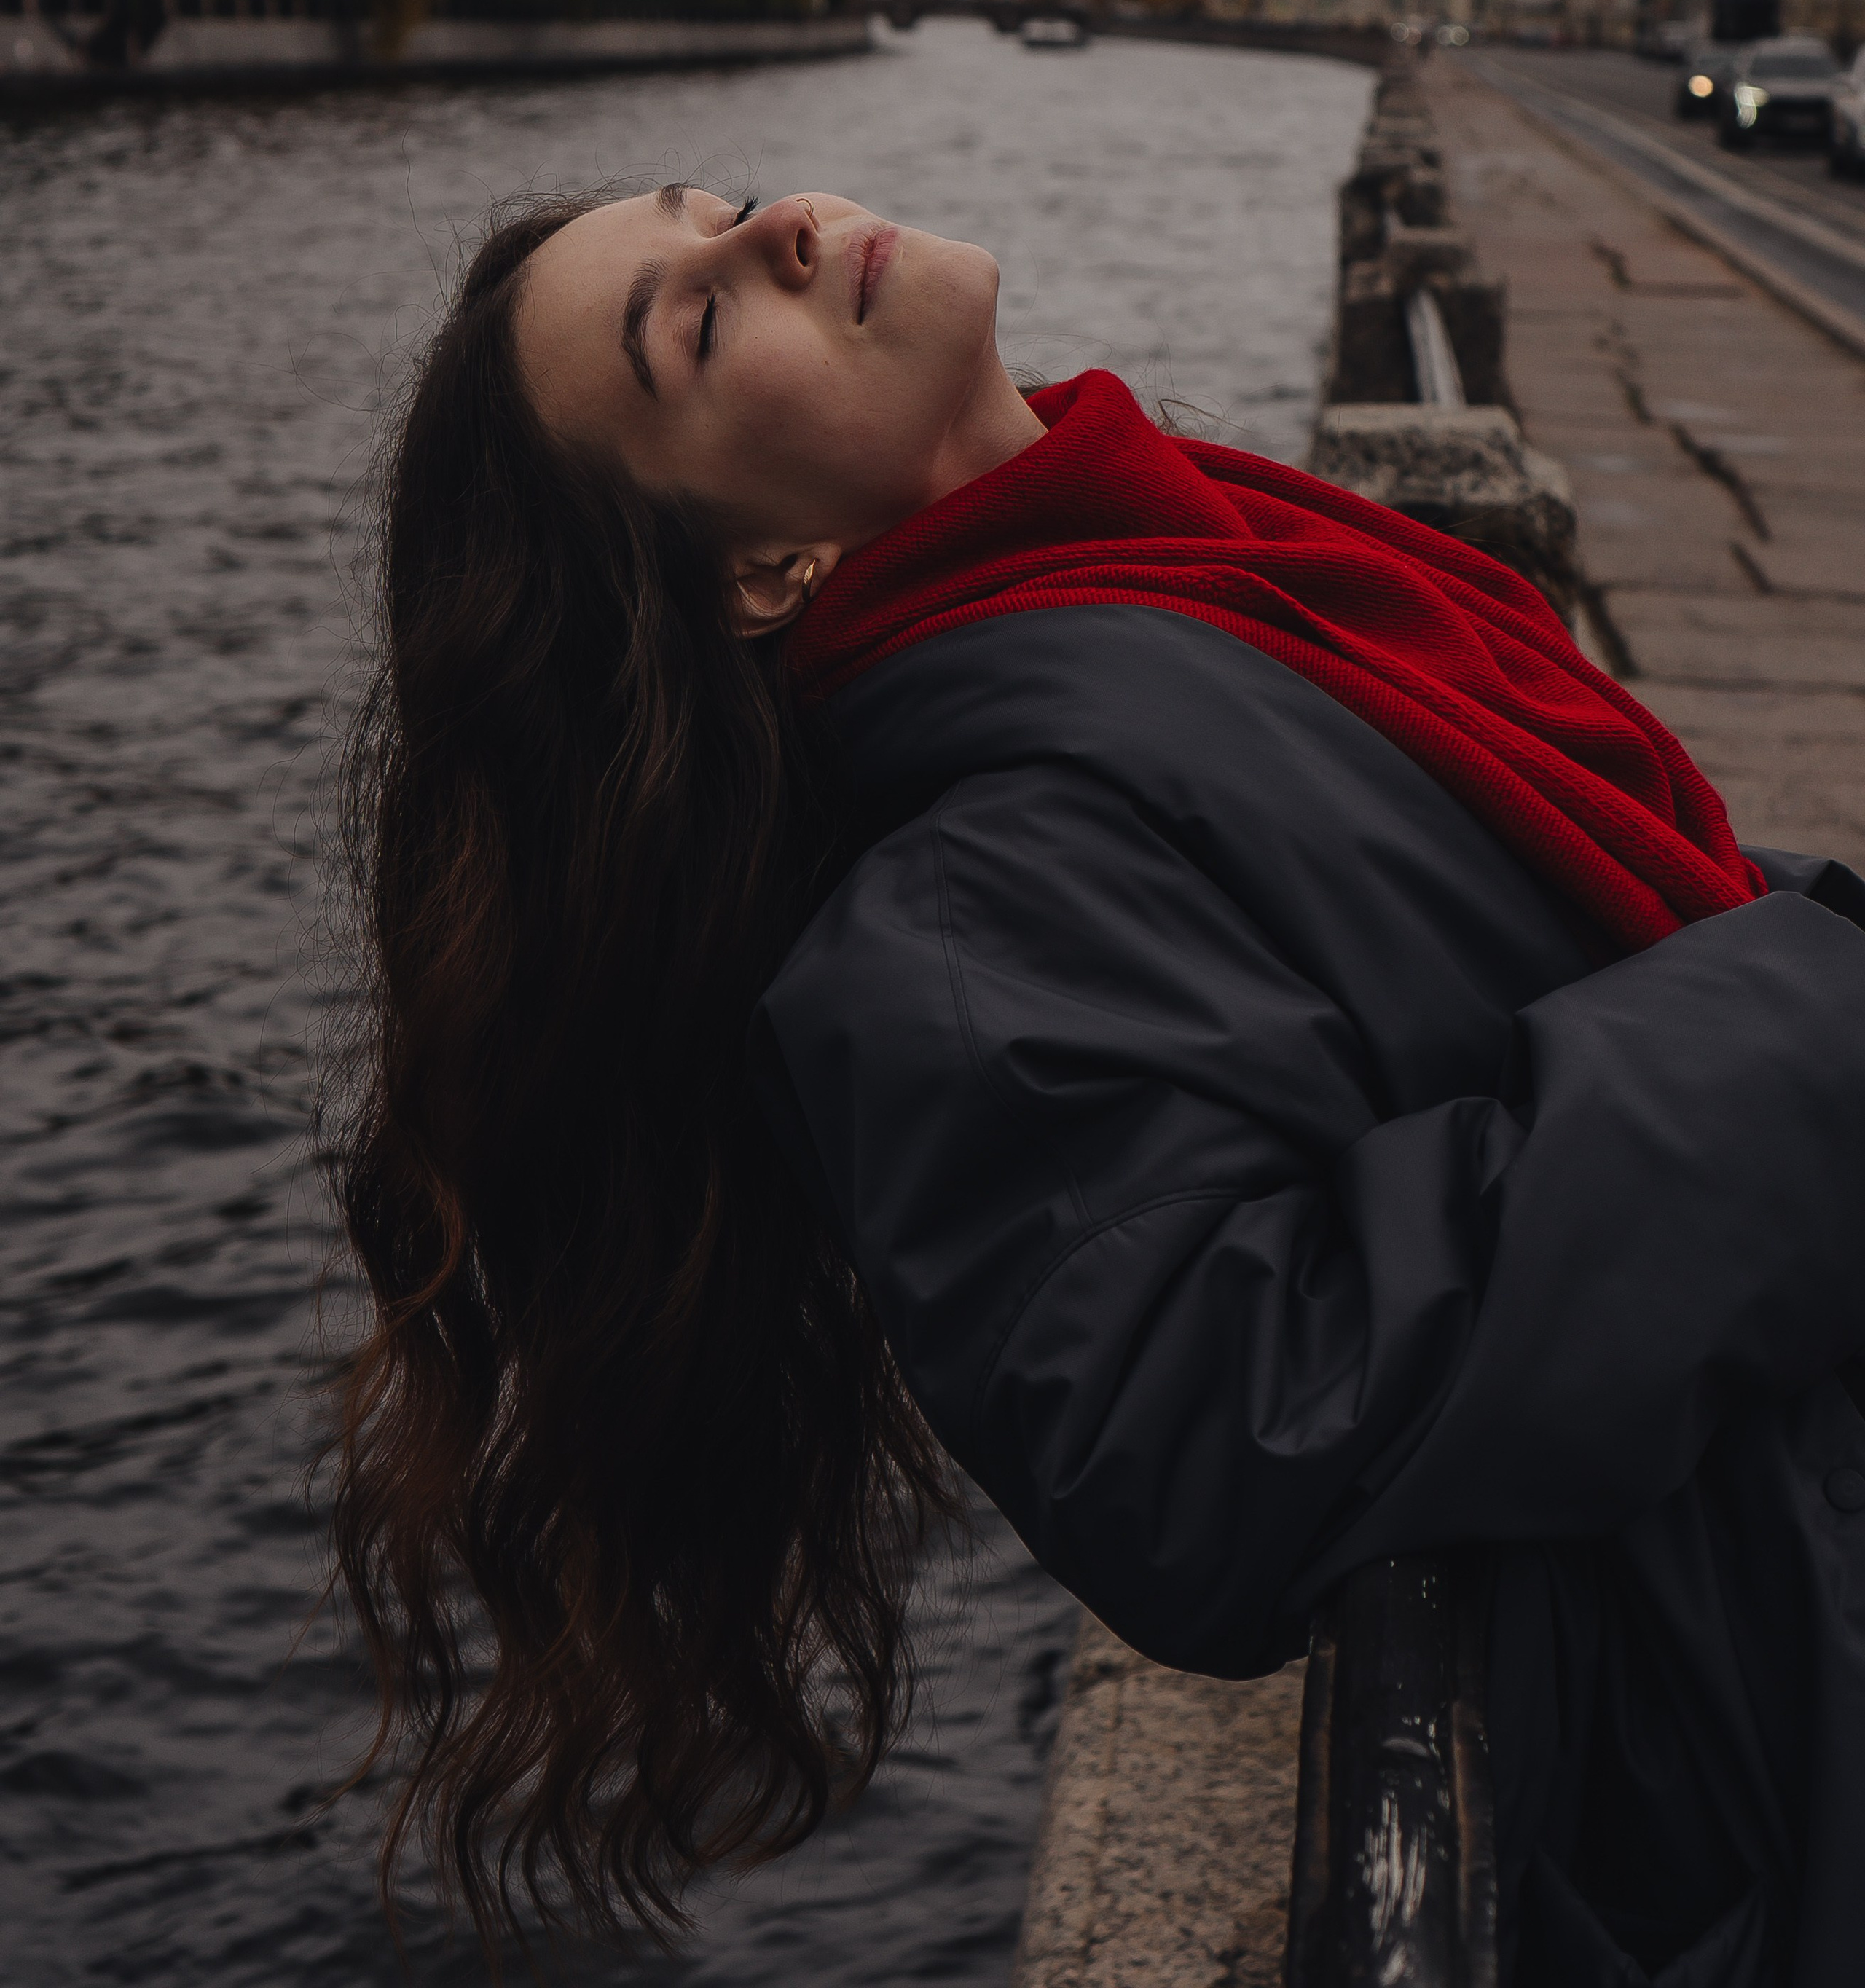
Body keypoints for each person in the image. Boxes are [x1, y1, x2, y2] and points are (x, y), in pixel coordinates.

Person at [329, 181, 1865, 1987]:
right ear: (761, 569)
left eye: (729, 208)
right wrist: (1814, 1005)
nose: (786, 239)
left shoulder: (1186, 572)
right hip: (1774, 1698)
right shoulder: (958, 919)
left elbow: (1549, 942)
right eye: (702, 318)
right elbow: (1213, 1444)